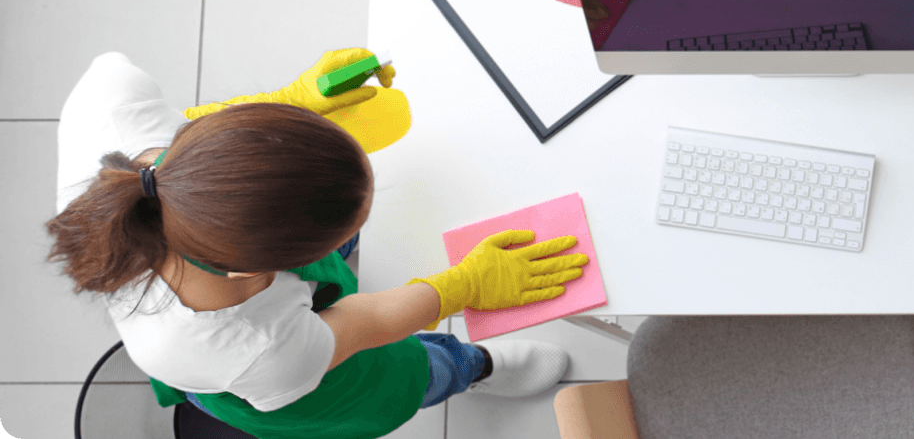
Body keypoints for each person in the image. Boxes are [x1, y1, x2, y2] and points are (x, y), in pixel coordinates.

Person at [47, 51, 588, 439]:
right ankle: (470, 367)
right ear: (261, 269)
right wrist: (463, 286)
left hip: (228, 254)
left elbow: (199, 132)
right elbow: (369, 322)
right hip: (269, 379)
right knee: (411, 372)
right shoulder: (255, 346)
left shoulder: (111, 100)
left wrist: (288, 103)